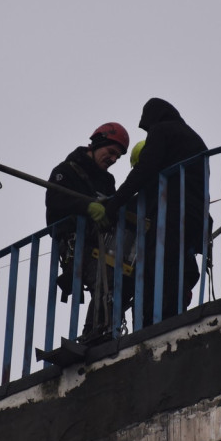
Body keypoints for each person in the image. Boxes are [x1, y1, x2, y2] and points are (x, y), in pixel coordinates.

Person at [103, 98, 208, 328]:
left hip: (171, 214)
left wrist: (114, 205)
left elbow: (144, 170)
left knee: (156, 267)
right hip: (193, 216)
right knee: (175, 268)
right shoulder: (194, 139)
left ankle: (153, 325)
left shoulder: (162, 130)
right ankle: (167, 320)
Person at [45, 122, 130, 338]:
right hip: (75, 243)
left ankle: (98, 330)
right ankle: (94, 334)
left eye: (117, 158)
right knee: (107, 279)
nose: (113, 160)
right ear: (98, 143)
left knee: (124, 279)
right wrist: (86, 207)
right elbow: (54, 200)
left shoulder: (107, 181)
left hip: (102, 242)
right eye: (111, 153)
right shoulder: (66, 171)